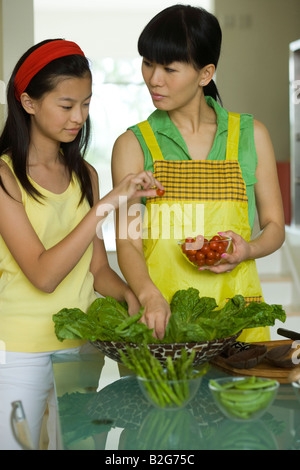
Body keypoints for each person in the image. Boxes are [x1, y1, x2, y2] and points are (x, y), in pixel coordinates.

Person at [0, 38, 162, 450]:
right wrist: (108, 203)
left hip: (82, 349)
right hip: (22, 353)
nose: (79, 117)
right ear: (29, 102)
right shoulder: (4, 177)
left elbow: (97, 270)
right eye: (67, 105)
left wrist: (133, 296)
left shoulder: (84, 174)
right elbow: (43, 274)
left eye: (86, 104)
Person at [112, 5, 285, 342]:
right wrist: (149, 297)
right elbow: (127, 241)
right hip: (165, 318)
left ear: (205, 74)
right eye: (148, 62)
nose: (153, 78)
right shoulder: (133, 145)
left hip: (238, 316)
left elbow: (275, 226)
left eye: (168, 68)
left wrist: (248, 250)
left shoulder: (251, 135)